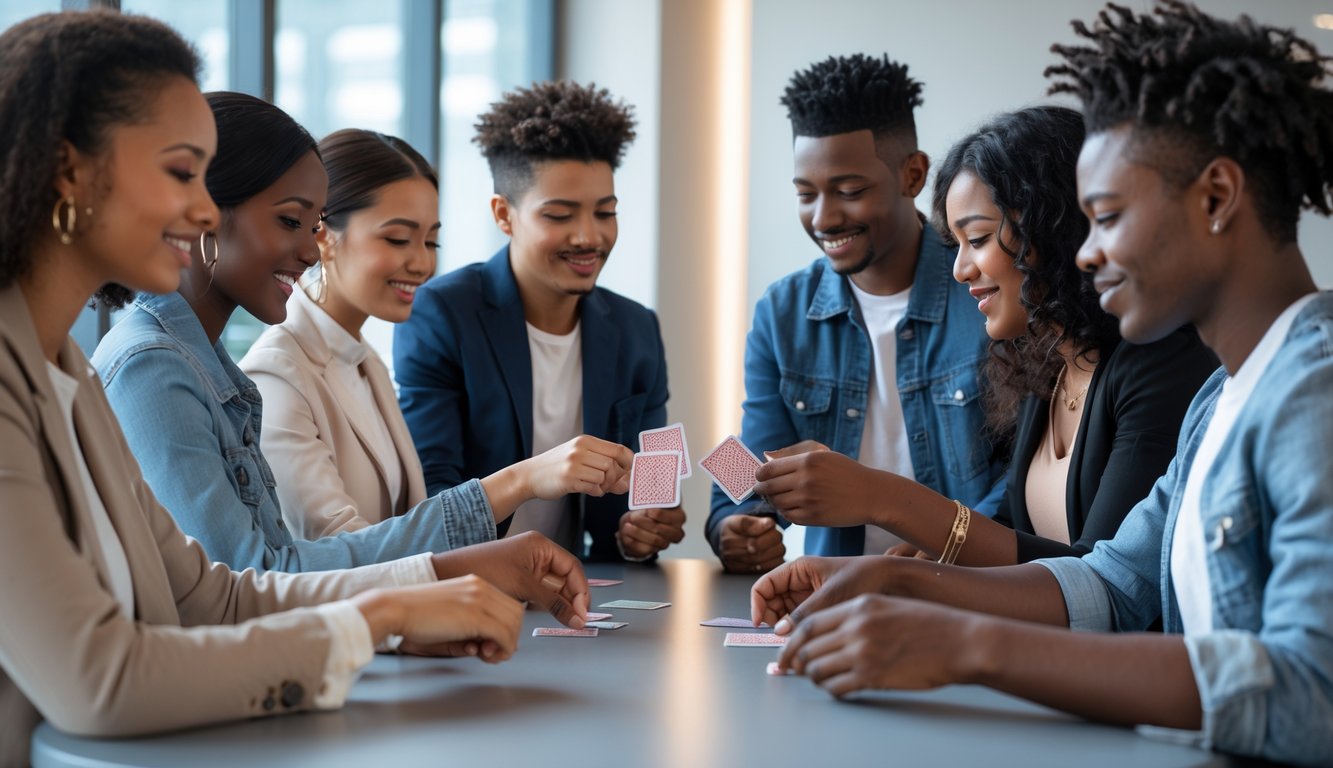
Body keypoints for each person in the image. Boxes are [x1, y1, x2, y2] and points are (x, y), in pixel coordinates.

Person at [750, 3, 1333, 764]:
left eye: (1107, 218)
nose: (1084, 254)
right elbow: (1111, 585)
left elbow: (1311, 692)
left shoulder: (1314, 395)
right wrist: (894, 589)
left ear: (1217, 197)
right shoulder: (1218, 401)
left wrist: (968, 646)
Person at [0, 12, 584, 766]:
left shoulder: (70, 374)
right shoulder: (99, 369)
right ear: (68, 171)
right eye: (180, 173)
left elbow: (214, 597)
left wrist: (406, 601)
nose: (204, 209)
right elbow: (101, 681)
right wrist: (374, 620)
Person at [91, 92, 597, 590]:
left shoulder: (230, 367)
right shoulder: (155, 366)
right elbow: (255, 580)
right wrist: (510, 493)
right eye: (291, 222)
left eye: (311, 226)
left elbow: (273, 570)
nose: (310, 250)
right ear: (204, 213)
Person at [750, 106, 1218, 565]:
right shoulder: (1044, 364)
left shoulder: (1160, 363)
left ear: (1053, 228)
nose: (959, 270)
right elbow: (1012, 534)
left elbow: (1101, 584)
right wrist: (909, 572)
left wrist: (883, 500)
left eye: (976, 240)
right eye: (956, 245)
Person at [239, 128, 633, 541]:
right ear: (323, 236)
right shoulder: (277, 376)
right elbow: (338, 549)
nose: (422, 264)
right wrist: (524, 480)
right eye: (398, 239)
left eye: (431, 242)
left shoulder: (365, 361)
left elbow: (412, 521)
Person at [705, 54, 1006, 572]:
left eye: (849, 191)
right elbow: (750, 471)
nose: (824, 218)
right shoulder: (782, 313)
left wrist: (951, 542)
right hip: (833, 591)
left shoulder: (987, 295)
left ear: (913, 174)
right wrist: (732, 525)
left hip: (969, 587)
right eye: (806, 194)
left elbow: (1024, 475)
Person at [394, 81, 683, 563]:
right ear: (503, 215)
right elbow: (433, 499)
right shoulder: (441, 315)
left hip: (580, 588)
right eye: (559, 215)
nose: (588, 236)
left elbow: (640, 500)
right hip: (472, 581)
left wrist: (640, 531)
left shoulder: (636, 331)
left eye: (605, 212)